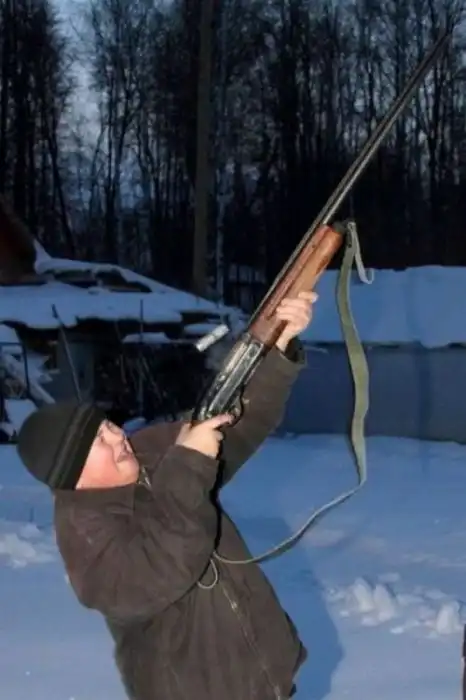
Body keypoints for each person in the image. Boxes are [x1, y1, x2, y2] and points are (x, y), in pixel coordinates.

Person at [17, 291, 317, 700]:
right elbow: (171, 560)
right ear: (75, 477)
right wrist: (190, 462)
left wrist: (278, 346)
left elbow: (238, 421)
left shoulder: (152, 454)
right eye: (99, 442)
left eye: (107, 426)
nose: (118, 437)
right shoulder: (87, 540)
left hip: (270, 680)